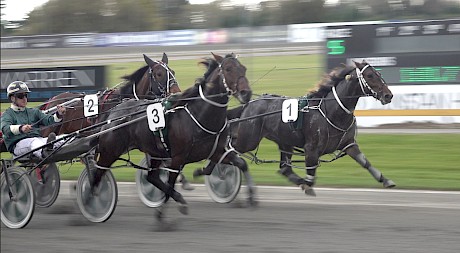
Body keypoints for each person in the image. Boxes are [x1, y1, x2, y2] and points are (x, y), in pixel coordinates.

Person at [1, 81, 66, 160]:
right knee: (34, 141)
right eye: (21, 96)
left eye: (26, 95)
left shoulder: (33, 112)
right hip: (18, 146)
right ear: (12, 98)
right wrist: (21, 128)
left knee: (64, 138)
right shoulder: (8, 114)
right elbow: (5, 129)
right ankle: (45, 153)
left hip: (38, 142)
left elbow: (49, 120)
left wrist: (59, 114)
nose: (24, 99)